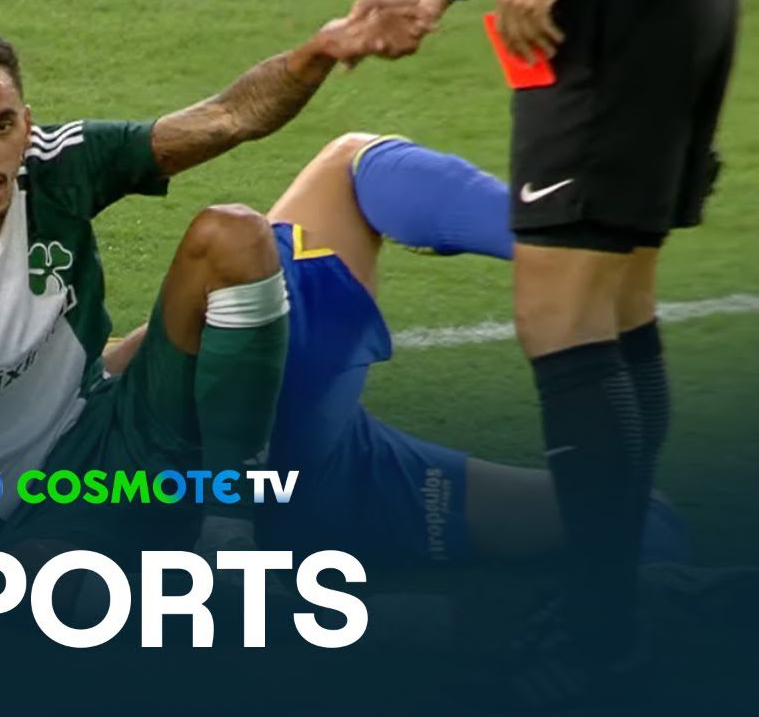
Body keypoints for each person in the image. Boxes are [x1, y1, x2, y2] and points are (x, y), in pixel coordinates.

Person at [0, 5, 435, 609]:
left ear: (25, 124)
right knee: (71, 597)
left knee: (235, 236)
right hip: (0, 517)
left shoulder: (56, 165)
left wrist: (322, 50)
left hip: (103, 428)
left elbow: (228, 117)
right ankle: (331, 620)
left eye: (1, 126)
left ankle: (229, 538)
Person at [100, 133, 689, 567]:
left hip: (279, 503)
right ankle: (565, 239)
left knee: (632, 516)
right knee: (347, 169)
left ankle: (652, 603)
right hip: (265, 425)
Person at [413, 0, 739, 709]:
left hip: (606, 28)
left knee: (562, 318)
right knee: (617, 302)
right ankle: (613, 600)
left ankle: (601, 647)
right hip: (675, 21)